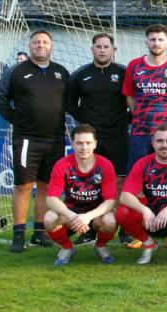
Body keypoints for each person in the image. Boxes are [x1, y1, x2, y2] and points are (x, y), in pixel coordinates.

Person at [0, 29, 70, 252]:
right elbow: (0, 100)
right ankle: (18, 234)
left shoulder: (61, 72)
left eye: (45, 42)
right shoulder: (17, 71)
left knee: (47, 186)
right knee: (24, 185)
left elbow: (71, 102)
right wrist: (19, 121)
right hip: (27, 139)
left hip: (55, 139)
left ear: (51, 46)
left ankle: (39, 233)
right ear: (30, 46)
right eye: (36, 42)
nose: (40, 45)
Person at [66, 32, 131, 246]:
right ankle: (91, 228)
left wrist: (124, 120)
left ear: (113, 50)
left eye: (106, 46)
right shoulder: (80, 75)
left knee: (120, 182)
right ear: (92, 49)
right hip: (90, 140)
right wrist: (85, 122)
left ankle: (123, 228)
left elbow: (134, 102)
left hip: (117, 137)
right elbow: (69, 103)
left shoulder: (123, 73)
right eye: (98, 46)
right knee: (90, 184)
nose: (102, 50)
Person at [115, 124, 167, 264]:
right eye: (160, 141)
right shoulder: (143, 164)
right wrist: (144, 210)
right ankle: (149, 244)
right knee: (122, 213)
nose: (164, 145)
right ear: (153, 143)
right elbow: (125, 196)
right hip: (150, 218)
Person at [122, 23, 167, 172]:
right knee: (138, 175)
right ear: (146, 42)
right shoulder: (134, 66)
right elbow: (129, 98)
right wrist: (142, 117)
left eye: (161, 39)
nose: (156, 43)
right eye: (152, 39)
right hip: (141, 132)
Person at [44, 124, 117, 266]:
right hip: (71, 214)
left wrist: (88, 216)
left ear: (95, 144)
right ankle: (67, 248)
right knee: (49, 218)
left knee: (111, 221)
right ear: (72, 144)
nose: (84, 147)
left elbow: (110, 201)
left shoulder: (105, 165)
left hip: (96, 215)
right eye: (79, 143)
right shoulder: (62, 165)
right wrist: (74, 216)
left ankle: (100, 246)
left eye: (88, 143)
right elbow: (51, 199)